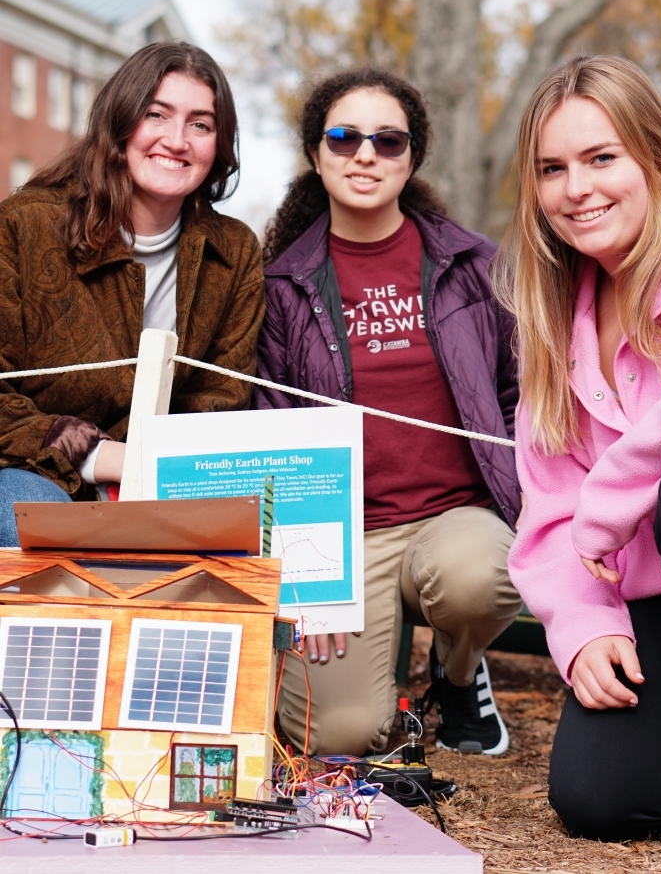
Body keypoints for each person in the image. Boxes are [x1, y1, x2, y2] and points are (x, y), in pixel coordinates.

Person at [498, 53, 661, 871]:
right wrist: (582, 627)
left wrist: (610, 498)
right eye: (553, 169)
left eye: (602, 157)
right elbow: (547, 508)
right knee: (601, 796)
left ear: (652, 154)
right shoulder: (552, 311)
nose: (579, 188)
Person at [255, 68, 522, 756]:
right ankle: (385, 671)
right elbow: (273, 428)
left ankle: (458, 670)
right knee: (339, 736)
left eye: (388, 140)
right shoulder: (283, 286)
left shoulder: (472, 265)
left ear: (412, 157)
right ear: (317, 155)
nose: (365, 154)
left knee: (476, 579)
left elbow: (522, 394)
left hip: (456, 516)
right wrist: (310, 577)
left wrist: (529, 499)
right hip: (348, 536)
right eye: (344, 138)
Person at [0, 41, 265, 546]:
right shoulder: (23, 227)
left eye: (200, 124)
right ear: (119, 122)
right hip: (27, 468)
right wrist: (101, 458)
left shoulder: (233, 253)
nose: (177, 140)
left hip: (166, 486)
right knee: (39, 521)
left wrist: (156, 472)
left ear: (219, 144)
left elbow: (221, 401)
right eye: (156, 115)